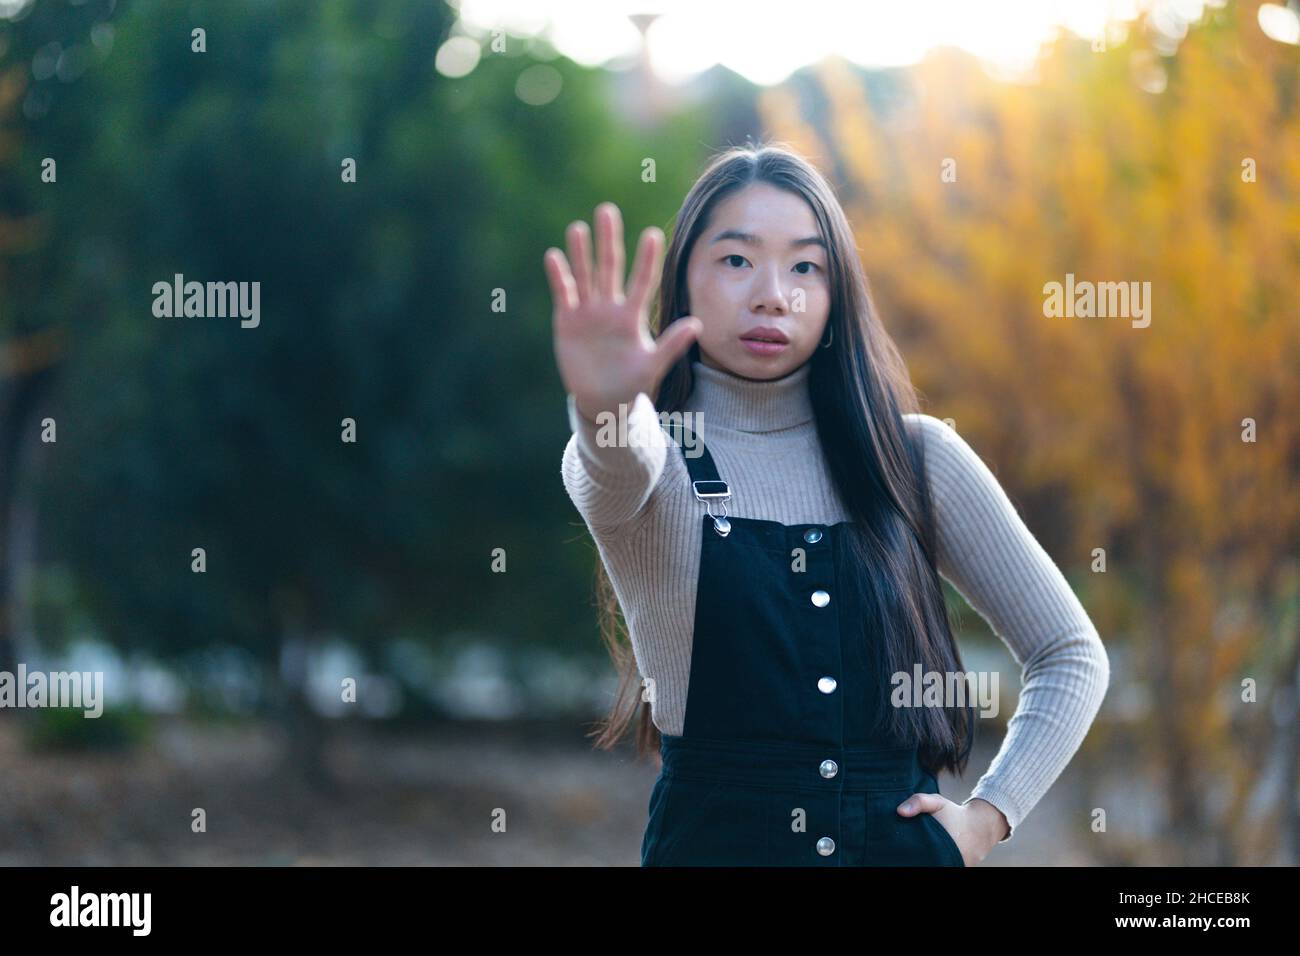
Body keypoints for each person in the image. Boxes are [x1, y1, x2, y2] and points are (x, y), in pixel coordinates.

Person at [545, 143, 1109, 866]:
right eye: (736, 260)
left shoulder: (913, 458)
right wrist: (603, 404)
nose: (774, 294)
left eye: (805, 266)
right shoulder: (654, 457)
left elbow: (1070, 654)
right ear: (684, 279)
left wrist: (987, 819)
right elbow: (612, 463)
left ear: (838, 289)